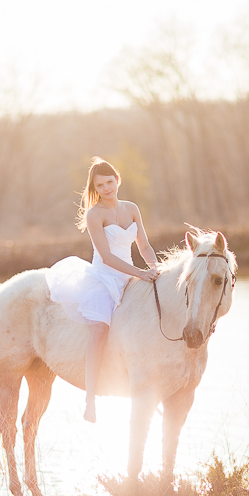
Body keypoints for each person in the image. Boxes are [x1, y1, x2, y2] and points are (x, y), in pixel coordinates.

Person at [45, 157, 159, 423]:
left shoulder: (132, 208)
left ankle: (152, 382)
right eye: (101, 185)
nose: (107, 188)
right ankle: (90, 398)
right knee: (99, 331)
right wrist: (141, 273)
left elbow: (144, 246)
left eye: (110, 182)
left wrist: (155, 268)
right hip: (103, 278)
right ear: (95, 188)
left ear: (117, 180)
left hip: (130, 275)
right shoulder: (94, 214)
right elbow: (106, 257)